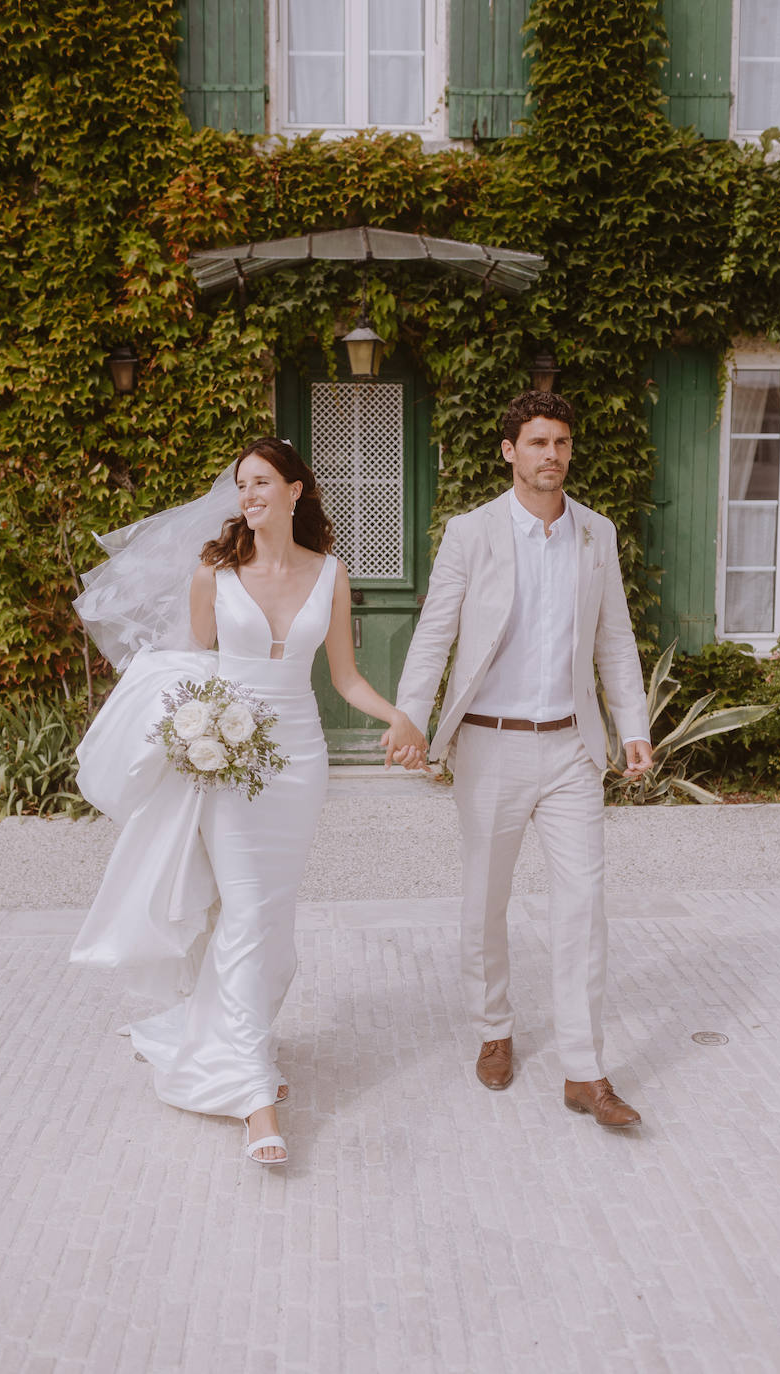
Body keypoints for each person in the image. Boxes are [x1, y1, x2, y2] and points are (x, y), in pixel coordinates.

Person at [70, 438, 426, 1164]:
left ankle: (236, 1041)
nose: (249, 494)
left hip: (297, 763)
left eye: (263, 481)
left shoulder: (331, 575)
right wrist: (191, 734)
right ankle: (256, 1095)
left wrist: (398, 717)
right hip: (226, 763)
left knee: (271, 915)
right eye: (241, 484)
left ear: (297, 490)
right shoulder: (214, 573)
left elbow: (346, 678)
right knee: (247, 913)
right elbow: (190, 669)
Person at [395, 391, 653, 1128]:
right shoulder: (471, 533)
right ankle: (494, 1030)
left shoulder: (595, 534)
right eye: (537, 442)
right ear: (509, 450)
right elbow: (435, 632)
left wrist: (630, 725)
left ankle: (583, 1069)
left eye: (562, 443)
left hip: (572, 747)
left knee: (584, 906)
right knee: (486, 902)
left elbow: (614, 640)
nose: (552, 455)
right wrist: (413, 717)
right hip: (490, 742)